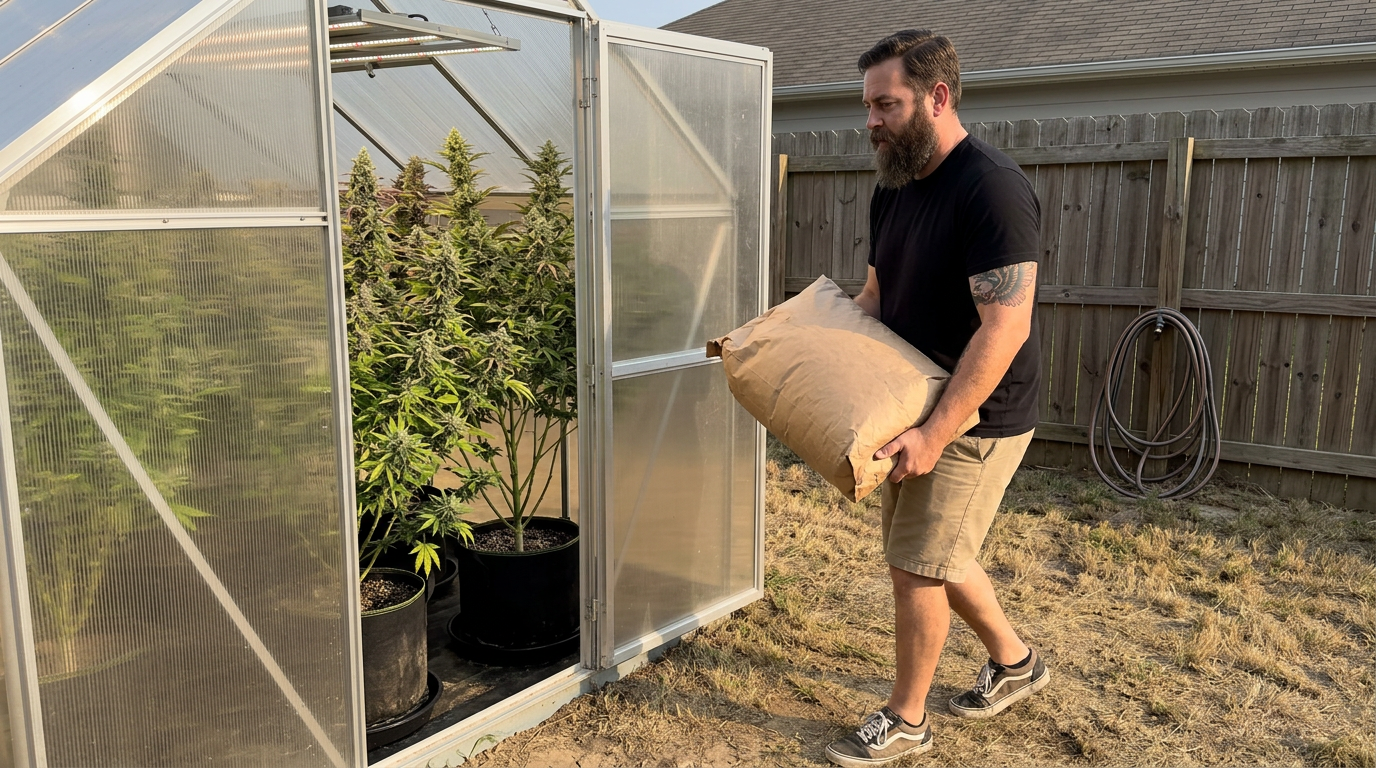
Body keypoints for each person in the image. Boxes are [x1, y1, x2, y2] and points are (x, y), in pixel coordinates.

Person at [824, 29, 1048, 768]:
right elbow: (876, 296)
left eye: (886, 104)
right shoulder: (894, 189)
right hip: (909, 402)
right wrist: (805, 348)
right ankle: (1017, 663)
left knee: (916, 565)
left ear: (938, 97)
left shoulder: (991, 187)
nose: (871, 122)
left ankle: (908, 719)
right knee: (936, 552)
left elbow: (1006, 326)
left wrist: (935, 434)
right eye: (868, 106)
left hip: (977, 413)